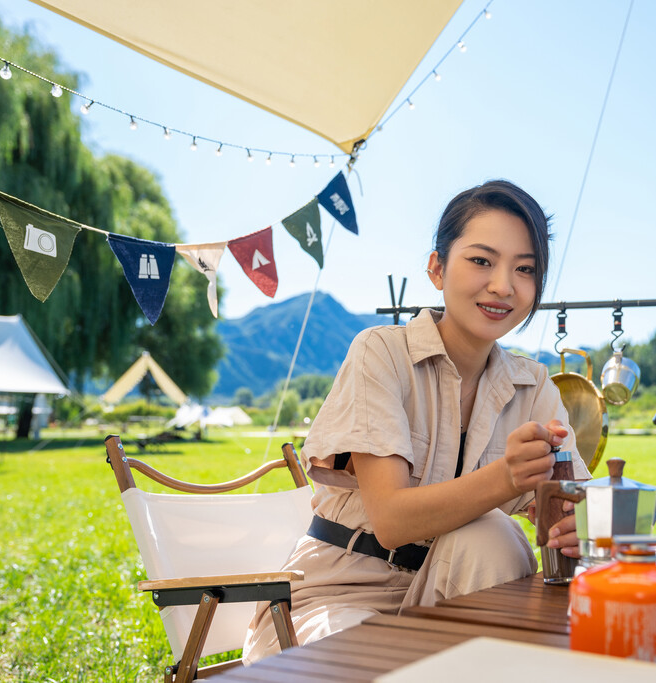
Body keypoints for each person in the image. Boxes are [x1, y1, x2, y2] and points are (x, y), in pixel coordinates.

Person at [243, 179, 590, 662]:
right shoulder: (381, 353)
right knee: (488, 532)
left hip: (455, 593)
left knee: (489, 537)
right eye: (482, 260)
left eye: (525, 269)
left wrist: (572, 522)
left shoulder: (535, 388)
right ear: (437, 268)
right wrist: (506, 478)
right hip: (339, 596)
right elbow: (390, 519)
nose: (503, 286)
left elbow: (575, 512)